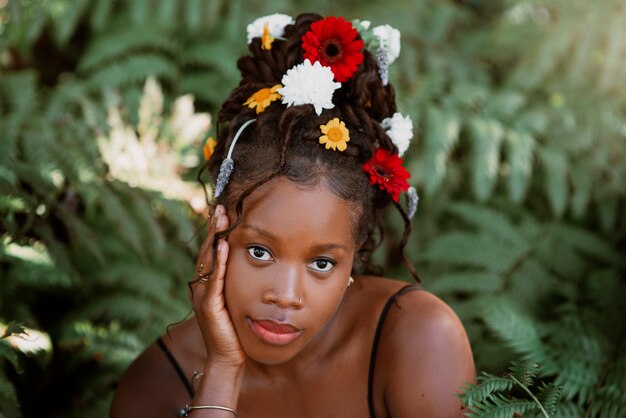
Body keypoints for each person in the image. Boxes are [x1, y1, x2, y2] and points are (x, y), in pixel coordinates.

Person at [110, 12, 475, 418]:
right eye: (260, 252)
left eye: (322, 262)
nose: (285, 295)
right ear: (218, 230)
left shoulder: (417, 340)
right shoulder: (155, 387)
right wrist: (223, 372)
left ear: (354, 254)